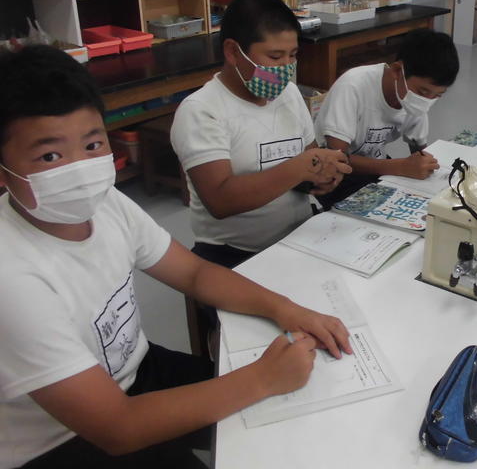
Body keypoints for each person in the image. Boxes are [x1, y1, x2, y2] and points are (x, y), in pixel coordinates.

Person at [0, 45, 352, 469]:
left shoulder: (107, 204)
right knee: (263, 400)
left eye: (92, 144)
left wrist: (286, 309)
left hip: (137, 372)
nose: (79, 168)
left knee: (303, 408)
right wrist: (261, 379)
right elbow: (116, 428)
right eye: (50, 156)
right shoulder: (12, 278)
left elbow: (194, 274)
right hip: (62, 440)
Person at [170, 0, 352, 269]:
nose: (286, 67)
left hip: (299, 234)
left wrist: (322, 176)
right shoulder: (201, 110)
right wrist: (303, 166)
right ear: (233, 52)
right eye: (275, 56)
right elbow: (220, 200)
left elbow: (309, 162)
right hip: (234, 252)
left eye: (293, 55)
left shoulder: (289, 94)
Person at [313, 28, 459, 207]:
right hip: (334, 175)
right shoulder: (353, 87)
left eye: (437, 95)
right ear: (397, 71)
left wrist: (424, 166)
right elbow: (337, 159)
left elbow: (419, 151)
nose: (427, 101)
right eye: (423, 92)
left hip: (376, 166)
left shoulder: (416, 100)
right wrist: (401, 167)